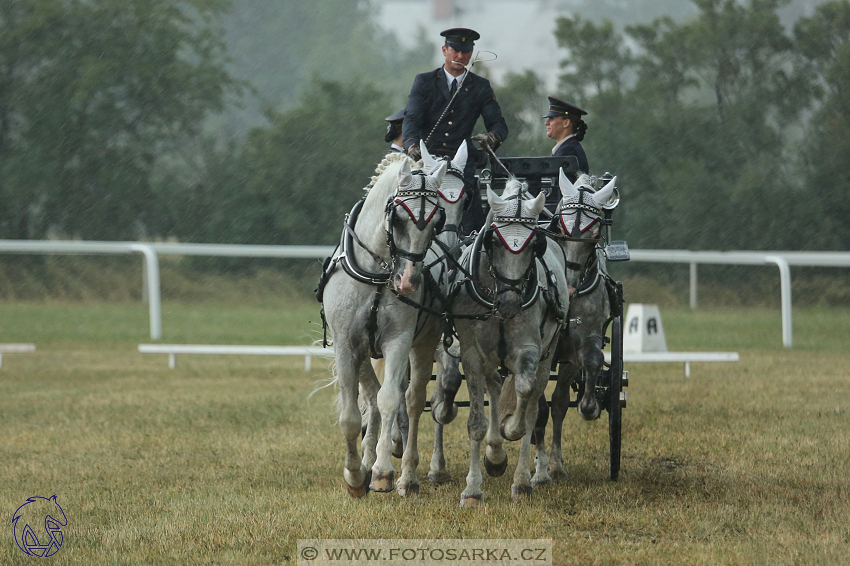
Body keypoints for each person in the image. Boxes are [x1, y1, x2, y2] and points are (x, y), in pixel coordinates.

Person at [402, 27, 509, 234]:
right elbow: (412, 118)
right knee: (409, 215)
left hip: (462, 165)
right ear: (444, 50)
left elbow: (498, 125)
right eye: (455, 51)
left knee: (472, 222)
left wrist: (491, 138)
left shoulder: (480, 87)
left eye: (466, 52)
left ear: (471, 54)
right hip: (428, 161)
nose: (460, 56)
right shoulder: (424, 82)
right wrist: (411, 144)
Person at [544, 96, 589, 183]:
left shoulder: (568, 151)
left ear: (566, 123)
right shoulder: (568, 147)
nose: (546, 123)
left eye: (552, 118)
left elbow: (558, 192)